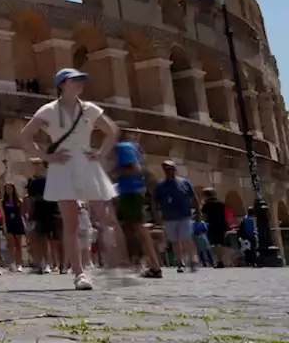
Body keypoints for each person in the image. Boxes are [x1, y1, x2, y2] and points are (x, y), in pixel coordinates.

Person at [18, 68, 121, 291]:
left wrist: (101, 153)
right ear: (62, 84)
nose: (80, 83)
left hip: (86, 161)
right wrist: (45, 156)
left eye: (82, 80)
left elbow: (112, 131)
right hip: (62, 164)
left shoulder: (89, 109)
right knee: (71, 223)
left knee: (104, 217)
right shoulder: (49, 110)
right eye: (75, 80)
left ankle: (116, 266)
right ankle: (79, 273)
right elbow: (25, 135)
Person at [111, 141, 162, 278]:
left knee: (140, 230)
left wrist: (113, 171)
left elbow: (135, 168)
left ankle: (154, 266)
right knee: (129, 229)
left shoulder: (123, 147)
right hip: (128, 192)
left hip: (131, 192)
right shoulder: (129, 147)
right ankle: (136, 262)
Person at [152, 160, 200, 273]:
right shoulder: (160, 185)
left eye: (169, 168)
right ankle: (180, 262)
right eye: (165, 169)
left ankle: (192, 259)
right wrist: (156, 216)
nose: (167, 171)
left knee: (186, 238)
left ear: (174, 169)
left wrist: (198, 213)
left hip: (185, 215)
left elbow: (194, 198)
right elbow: (154, 202)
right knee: (175, 241)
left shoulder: (185, 182)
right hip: (169, 217)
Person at [24, 158, 62, 274]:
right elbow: (31, 200)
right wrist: (30, 215)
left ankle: (58, 263)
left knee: (55, 240)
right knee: (41, 239)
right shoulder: (33, 183)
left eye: (37, 164)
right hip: (40, 213)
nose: (35, 167)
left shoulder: (53, 180)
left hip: (53, 211)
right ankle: (44, 263)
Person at [1, 183, 27, 272]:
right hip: (9, 224)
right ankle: (11, 263)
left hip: (17, 223)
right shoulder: (3, 202)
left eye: (10, 188)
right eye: (7, 189)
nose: (9, 190)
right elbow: (2, 214)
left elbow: (22, 213)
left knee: (18, 245)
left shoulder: (18, 201)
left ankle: (19, 264)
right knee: (11, 244)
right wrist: (3, 226)